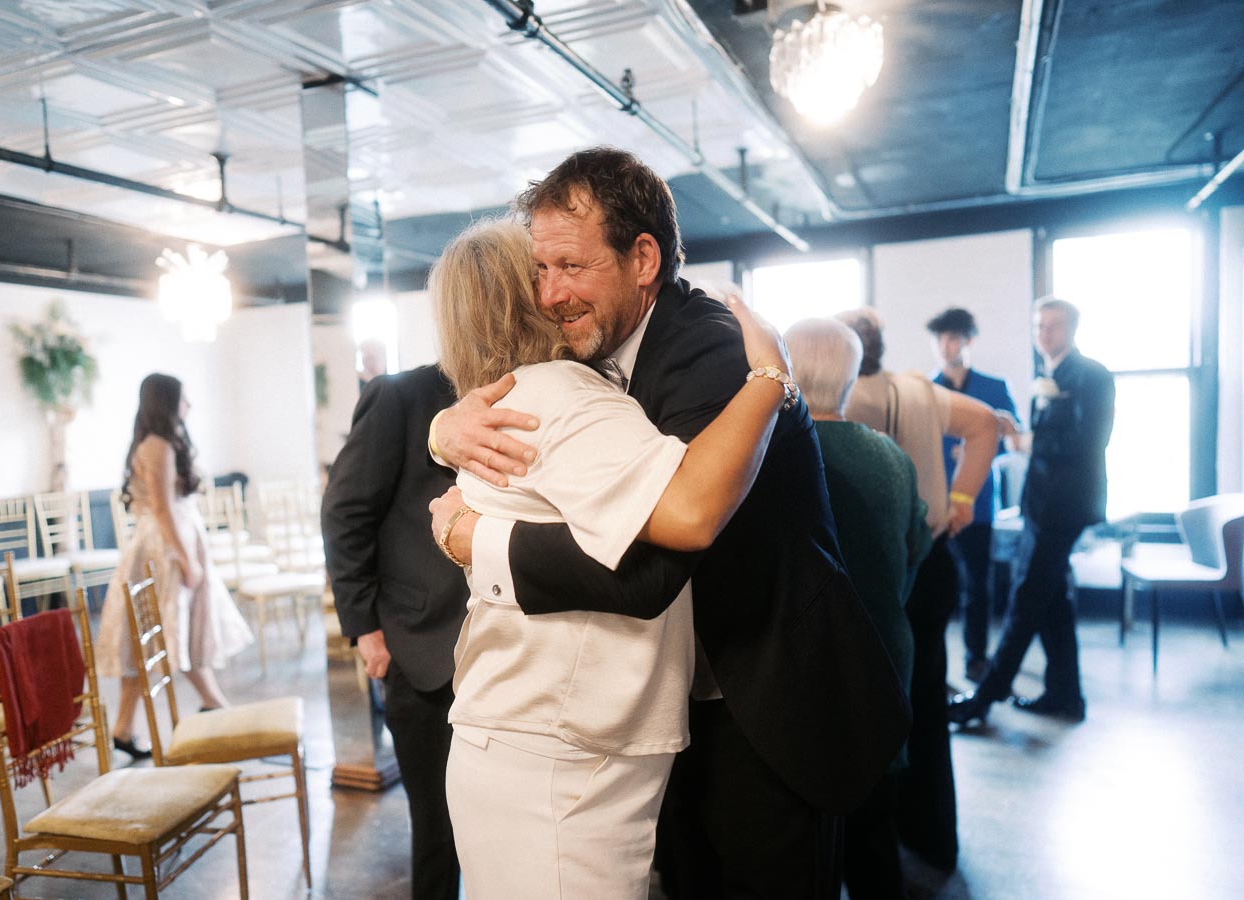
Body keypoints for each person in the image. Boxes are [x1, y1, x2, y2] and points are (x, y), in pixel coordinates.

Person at [430, 148, 909, 899]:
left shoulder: (709, 348)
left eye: (571, 266)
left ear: (644, 258)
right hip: (681, 705)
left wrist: (476, 541)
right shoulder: (596, 353)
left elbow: (650, 564)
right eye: (541, 270)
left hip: (763, 705)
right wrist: (445, 427)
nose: (550, 294)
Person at [425, 216, 794, 898]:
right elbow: (685, 519)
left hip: (528, 737)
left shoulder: (498, 404)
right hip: (559, 760)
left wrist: (443, 440)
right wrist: (771, 378)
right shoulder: (563, 397)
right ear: (527, 291)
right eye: (547, 269)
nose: (559, 286)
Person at [837, 307, 998, 873]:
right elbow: (987, 425)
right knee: (926, 701)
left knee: (866, 707)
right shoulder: (917, 388)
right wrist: (962, 500)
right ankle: (932, 835)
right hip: (932, 561)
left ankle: (868, 847)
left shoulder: (837, 399)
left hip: (873, 569)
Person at [786, 317, 932, 899]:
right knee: (875, 837)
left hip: (806, 668)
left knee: (805, 846)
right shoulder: (891, 457)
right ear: (851, 377)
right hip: (883, 655)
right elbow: (915, 550)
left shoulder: (774, 453)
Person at [320, 363, 465, 900]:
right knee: (437, 829)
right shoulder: (401, 396)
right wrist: (367, 631)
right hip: (421, 649)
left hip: (506, 649)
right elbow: (344, 513)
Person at [949, 297, 1115, 726]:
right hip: (1040, 506)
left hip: (1066, 507)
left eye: (1054, 326)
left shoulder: (1093, 375)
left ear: (1072, 329)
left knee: (1025, 596)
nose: (1045, 333)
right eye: (1040, 325)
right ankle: (1065, 696)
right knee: (1053, 599)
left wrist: (1026, 442)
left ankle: (985, 697)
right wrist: (1016, 434)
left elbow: (1088, 441)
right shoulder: (1048, 376)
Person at [96, 373, 252, 759]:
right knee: (170, 629)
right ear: (166, 402)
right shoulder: (158, 445)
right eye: (183, 398)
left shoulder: (158, 442)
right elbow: (163, 508)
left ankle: (125, 727)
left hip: (168, 540)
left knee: (158, 633)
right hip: (164, 547)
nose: (189, 405)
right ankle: (216, 705)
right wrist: (187, 558)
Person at [926, 307, 1021, 683]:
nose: (946, 346)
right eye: (940, 339)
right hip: (933, 502)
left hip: (978, 504)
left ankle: (976, 659)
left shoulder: (994, 388)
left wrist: (977, 450)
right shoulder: (925, 390)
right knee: (933, 589)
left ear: (969, 341)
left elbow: (1012, 438)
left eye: (953, 338)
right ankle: (933, 667)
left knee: (977, 588)